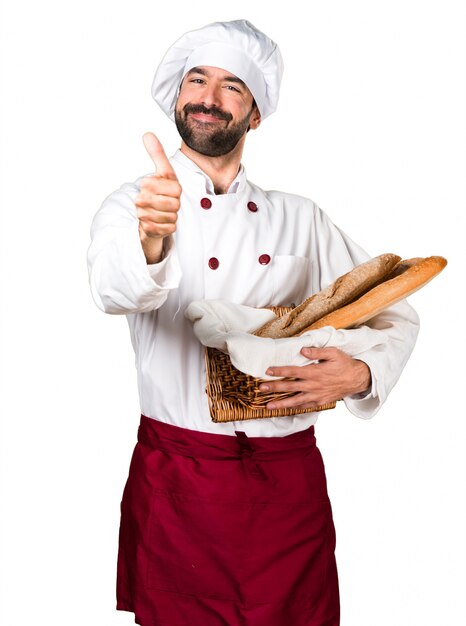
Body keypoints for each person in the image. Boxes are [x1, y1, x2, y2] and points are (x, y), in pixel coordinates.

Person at [88, 19, 419, 626]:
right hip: (179, 480)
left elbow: (393, 308)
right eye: (197, 79)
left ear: (255, 114)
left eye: (231, 85)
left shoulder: (301, 218)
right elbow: (113, 290)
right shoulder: (136, 203)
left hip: (286, 481)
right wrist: (154, 237)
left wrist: (362, 371)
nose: (208, 97)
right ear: (179, 98)